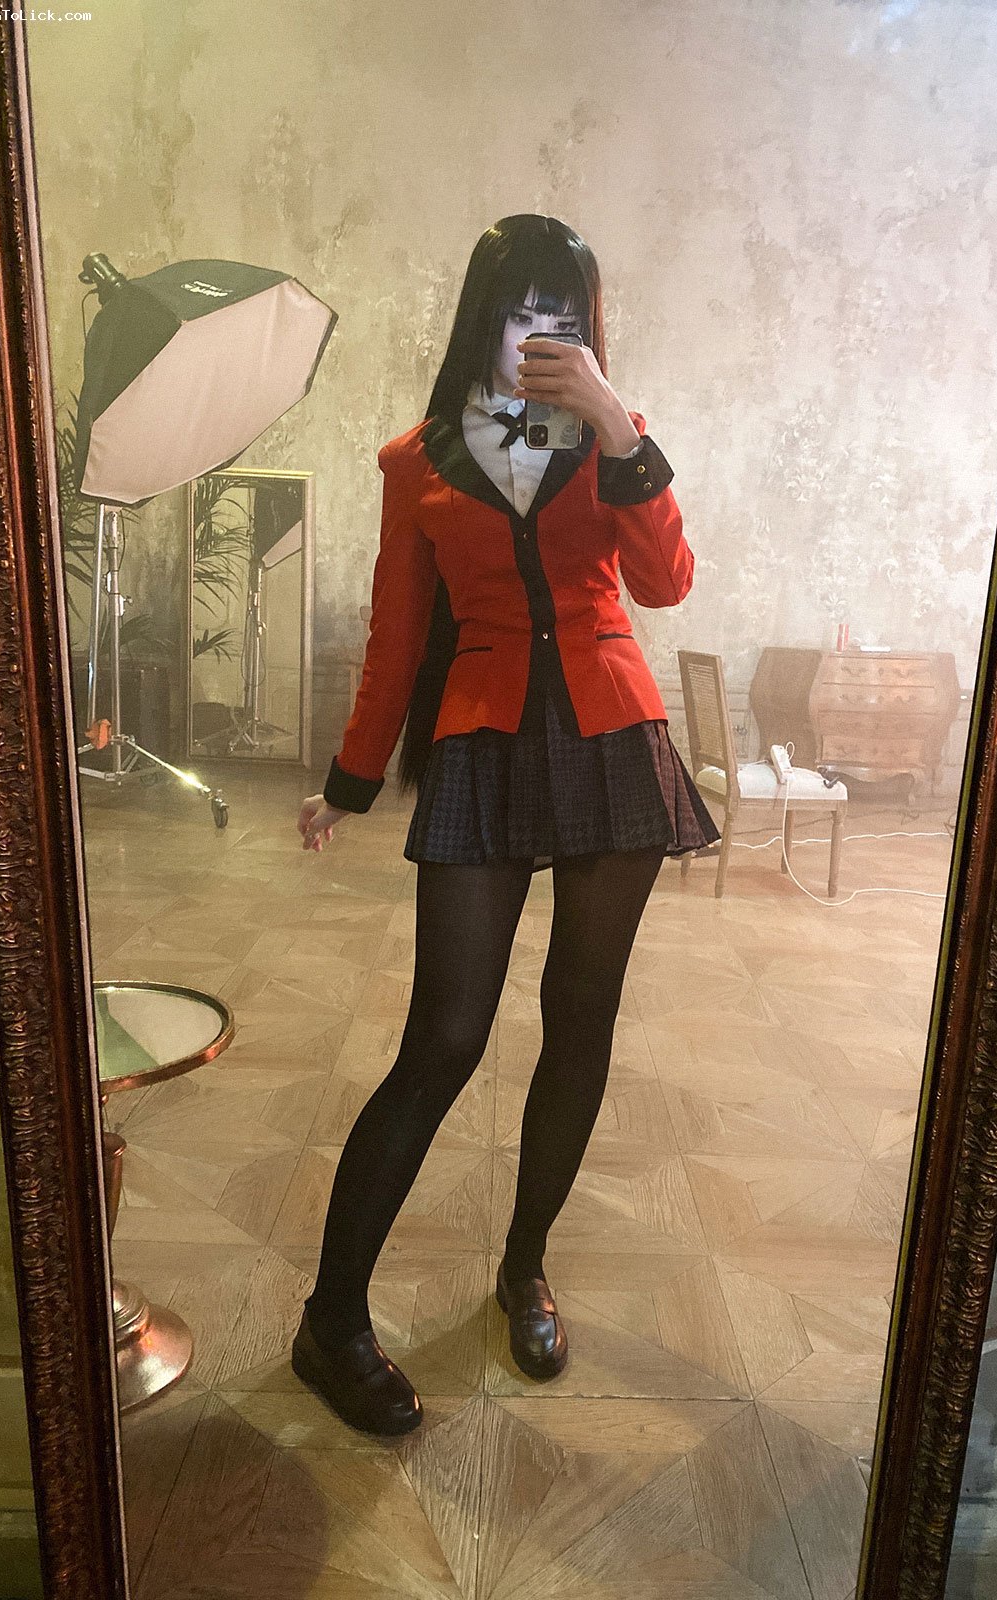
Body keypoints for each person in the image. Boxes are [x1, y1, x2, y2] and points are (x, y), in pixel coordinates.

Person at [292, 214, 719, 1435]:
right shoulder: (414, 461)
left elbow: (665, 584)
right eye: (523, 306)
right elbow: (397, 634)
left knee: (580, 1021)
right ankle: (331, 1317)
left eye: (565, 311)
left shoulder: (614, 438)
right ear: (483, 315)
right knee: (444, 1038)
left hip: (611, 739)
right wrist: (351, 780)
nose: (542, 330)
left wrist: (617, 422)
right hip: (482, 739)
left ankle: (525, 1265)